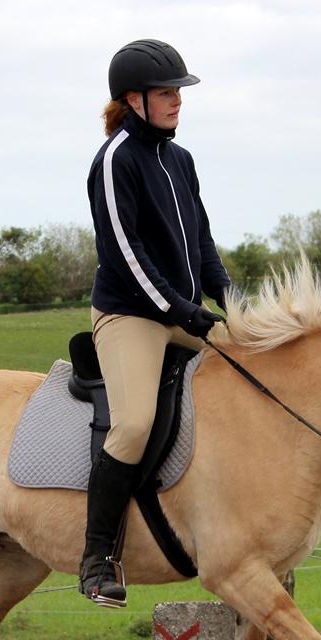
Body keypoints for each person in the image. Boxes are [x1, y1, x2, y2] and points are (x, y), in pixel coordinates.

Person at [80, 38, 231, 607]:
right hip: (131, 316)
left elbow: (202, 240)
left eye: (178, 92)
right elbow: (126, 254)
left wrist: (229, 298)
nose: (177, 101)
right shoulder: (115, 160)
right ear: (133, 99)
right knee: (135, 424)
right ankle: (98, 558)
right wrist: (185, 311)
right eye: (166, 93)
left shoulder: (181, 160)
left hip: (182, 311)